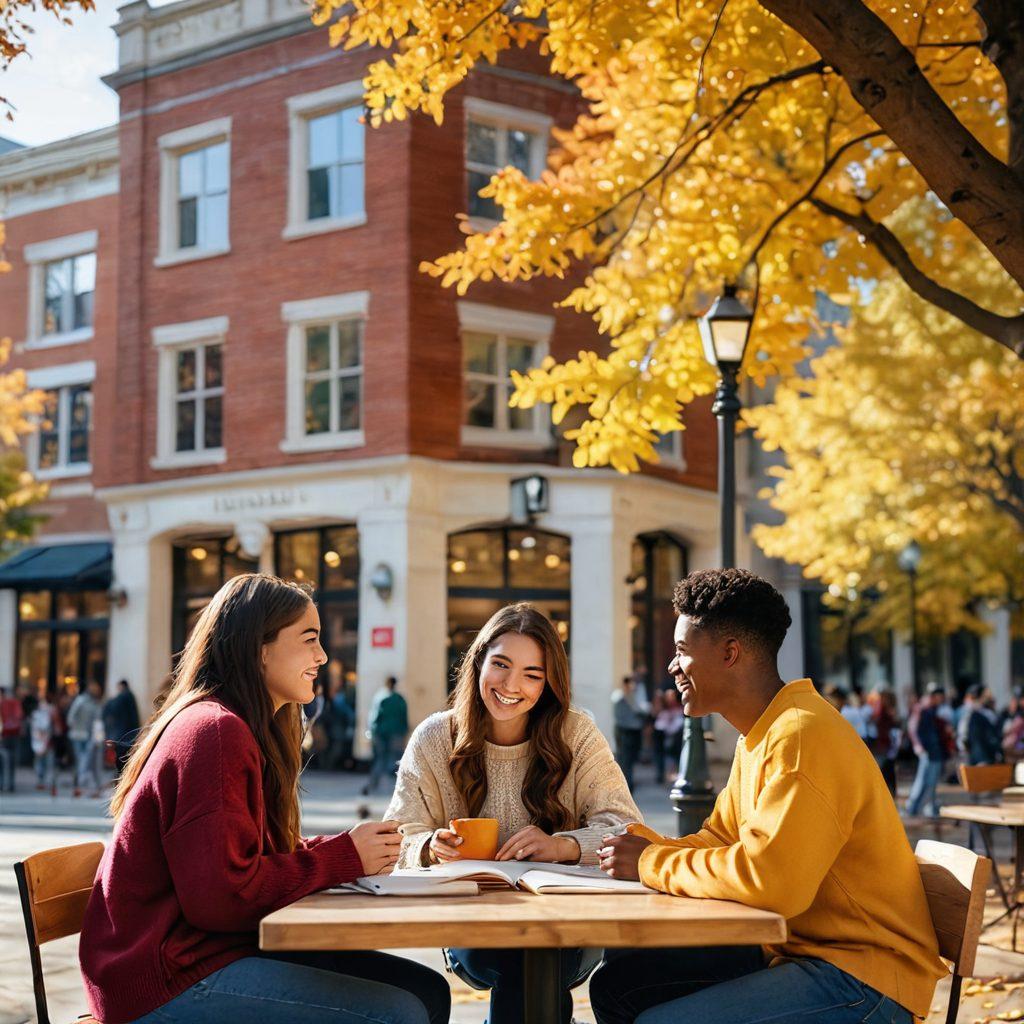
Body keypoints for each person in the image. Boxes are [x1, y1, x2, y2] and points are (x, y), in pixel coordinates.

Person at [79, 574, 450, 1024]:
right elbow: (222, 898)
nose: (323, 656)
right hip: (164, 980)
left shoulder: (238, 726)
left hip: (205, 955)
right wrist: (343, 857)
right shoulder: (215, 731)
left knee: (427, 989)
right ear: (259, 648)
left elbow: (246, 862)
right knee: (400, 1013)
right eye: (309, 639)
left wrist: (346, 849)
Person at [592, 569, 944, 1024]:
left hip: (866, 978)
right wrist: (639, 849)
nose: (671, 667)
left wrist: (650, 863)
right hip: (800, 954)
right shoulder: (762, 734)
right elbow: (720, 838)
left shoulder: (800, 736)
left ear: (730, 653)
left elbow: (771, 883)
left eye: (681, 651)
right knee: (620, 984)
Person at [385, 602, 641, 1024]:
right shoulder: (434, 737)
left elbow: (627, 827)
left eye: (532, 674)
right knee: (518, 965)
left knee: (534, 959)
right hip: (471, 927)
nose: (511, 684)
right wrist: (431, 847)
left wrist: (564, 847)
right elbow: (398, 837)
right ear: (478, 663)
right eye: (500, 665)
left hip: (569, 926)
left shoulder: (576, 734)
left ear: (549, 683)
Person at [905, 683, 952, 817]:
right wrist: (918, 746)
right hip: (927, 752)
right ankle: (913, 808)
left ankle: (929, 807)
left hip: (935, 751)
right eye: (940, 696)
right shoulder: (922, 708)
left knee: (931, 782)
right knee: (923, 781)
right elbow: (912, 728)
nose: (941, 699)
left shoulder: (933, 709)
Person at [361, 676, 408, 796]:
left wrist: (371, 732)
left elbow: (375, 717)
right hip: (397, 733)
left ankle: (372, 784)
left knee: (380, 759)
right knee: (396, 760)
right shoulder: (399, 699)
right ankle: (399, 789)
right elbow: (404, 717)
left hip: (380, 733)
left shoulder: (380, 697)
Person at [67, 680, 104, 797]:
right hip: (80, 736)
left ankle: (83, 786)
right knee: (83, 761)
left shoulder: (94, 703)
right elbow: (71, 718)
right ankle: (81, 786)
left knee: (85, 761)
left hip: (88, 737)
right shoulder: (81, 701)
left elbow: (97, 722)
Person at [611, 675, 648, 792]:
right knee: (625, 759)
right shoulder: (620, 696)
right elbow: (637, 711)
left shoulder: (632, 696)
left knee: (630, 759)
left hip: (632, 731)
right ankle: (626, 785)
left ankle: (627, 783)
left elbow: (641, 711)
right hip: (624, 731)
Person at [958, 684, 1003, 766]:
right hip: (982, 758)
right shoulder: (973, 714)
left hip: (980, 757)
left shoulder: (983, 712)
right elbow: (963, 737)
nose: (988, 697)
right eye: (985, 695)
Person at [103, 678, 141, 774]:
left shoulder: (123, 696)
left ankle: (122, 773)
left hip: (124, 731)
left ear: (121, 686)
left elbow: (110, 709)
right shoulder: (130, 696)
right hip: (131, 730)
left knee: (122, 755)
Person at [652, 688, 684, 785]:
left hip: (674, 736)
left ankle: (674, 774)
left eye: (672, 695)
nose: (670, 698)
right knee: (661, 755)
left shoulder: (678, 707)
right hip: (661, 734)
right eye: (668, 696)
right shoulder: (661, 707)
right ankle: (661, 775)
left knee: (674, 756)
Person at [30, 690, 58, 793]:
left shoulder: (48, 712)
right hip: (43, 741)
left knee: (45, 761)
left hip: (47, 741)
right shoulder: (40, 713)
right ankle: (43, 781)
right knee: (43, 761)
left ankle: (44, 781)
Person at [0, 685, 24, 792]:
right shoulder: (16, 703)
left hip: (3, 734)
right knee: (12, 760)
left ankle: (2, 783)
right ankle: (11, 784)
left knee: (2, 760)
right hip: (14, 733)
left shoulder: (2, 704)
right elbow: (20, 716)